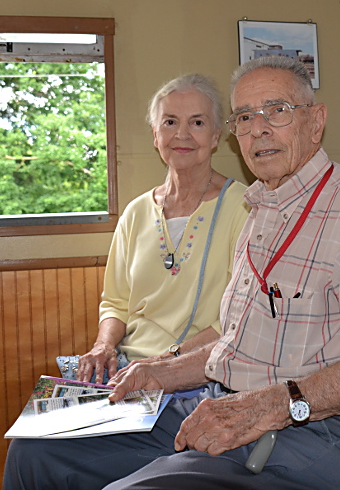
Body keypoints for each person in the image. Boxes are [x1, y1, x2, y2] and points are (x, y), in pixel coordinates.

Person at [4, 56, 340, 489]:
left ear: (315, 122)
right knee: (38, 450)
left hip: (312, 430)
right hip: (223, 404)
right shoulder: (260, 209)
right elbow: (232, 346)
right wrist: (157, 372)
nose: (258, 129)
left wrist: (273, 404)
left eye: (276, 111)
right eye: (245, 117)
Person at [71, 74, 251, 384]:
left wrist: (165, 364)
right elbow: (115, 303)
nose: (182, 134)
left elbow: (236, 320)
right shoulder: (135, 212)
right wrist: (103, 347)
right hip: (127, 366)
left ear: (215, 136)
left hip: (197, 370)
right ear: (155, 135)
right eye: (169, 122)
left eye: (197, 123)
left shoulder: (244, 207)